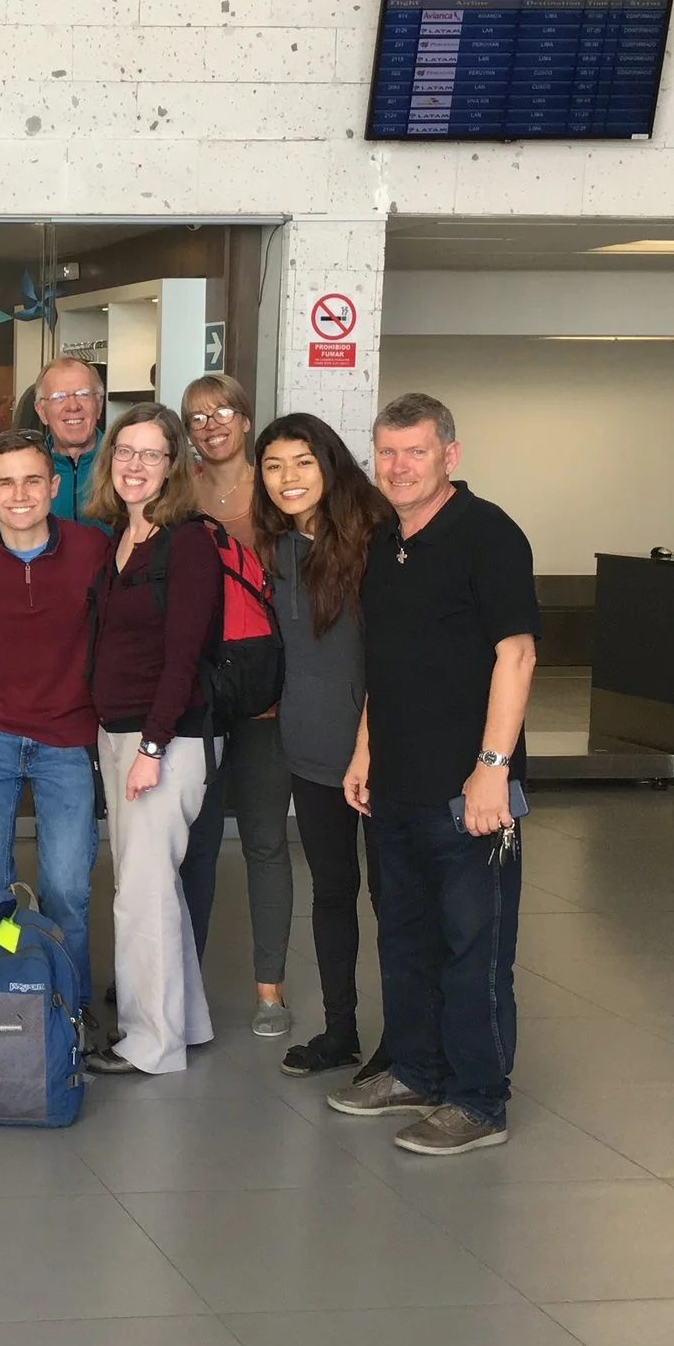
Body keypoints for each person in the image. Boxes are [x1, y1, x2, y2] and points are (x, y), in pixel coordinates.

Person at [328, 393, 538, 1156]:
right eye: (387, 452)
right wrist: (364, 749)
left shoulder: (489, 536)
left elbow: (516, 655)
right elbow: (385, 665)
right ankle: (415, 1069)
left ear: (450, 453)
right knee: (406, 938)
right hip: (397, 785)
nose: (399, 466)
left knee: (474, 945)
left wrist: (492, 769)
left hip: (468, 793)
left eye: (415, 451)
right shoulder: (385, 542)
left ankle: (480, 1100)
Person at [253, 414, 393, 1079]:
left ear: (330, 463)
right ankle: (342, 1031)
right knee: (333, 892)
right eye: (274, 465)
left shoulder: (376, 540)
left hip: (381, 755)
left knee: (395, 899)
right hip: (309, 751)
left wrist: (366, 749)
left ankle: (406, 1041)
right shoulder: (277, 549)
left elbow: (389, 661)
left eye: (302, 462)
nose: (287, 478)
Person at [85, 403, 223, 1077]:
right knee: (151, 885)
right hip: (122, 735)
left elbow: (184, 655)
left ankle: (151, 1042)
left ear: (174, 466)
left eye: (150, 453)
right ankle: (185, 1021)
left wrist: (152, 748)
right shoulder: (123, 535)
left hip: (161, 739)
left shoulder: (186, 541)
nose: (134, 465)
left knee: (140, 892)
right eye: (125, 451)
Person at [0, 430, 110, 1006]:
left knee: (67, 889)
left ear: (55, 485)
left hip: (67, 735)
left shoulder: (93, 549)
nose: (20, 494)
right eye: (6, 482)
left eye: (33, 480)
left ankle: (68, 1014)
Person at [175, 372, 297, 1038]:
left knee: (264, 839)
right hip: (200, 691)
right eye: (196, 416)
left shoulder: (277, 488)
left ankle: (270, 989)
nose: (211, 423)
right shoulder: (179, 490)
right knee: (192, 841)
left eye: (223, 411)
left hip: (268, 693)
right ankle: (180, 974)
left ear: (246, 419)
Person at [0, 356, 104, 524]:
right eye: (58, 396)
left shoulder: (125, 463)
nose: (73, 406)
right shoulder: (19, 467)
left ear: (99, 405)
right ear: (41, 411)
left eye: (83, 394)